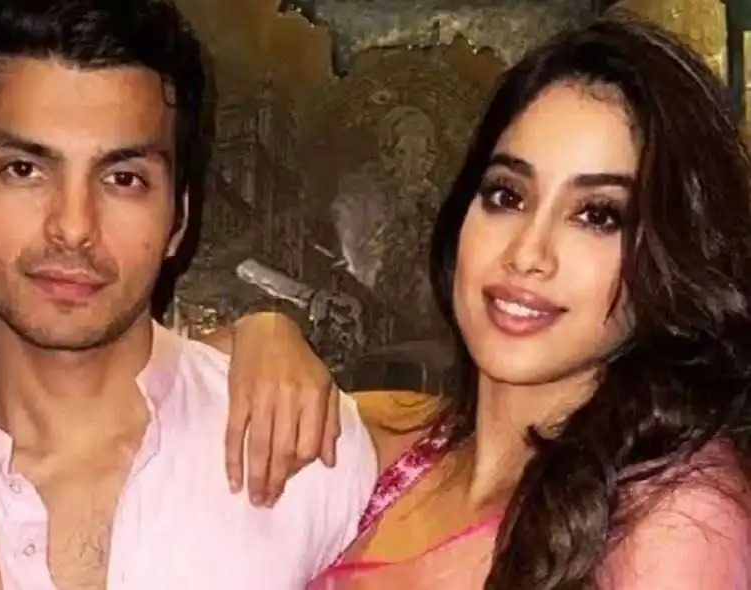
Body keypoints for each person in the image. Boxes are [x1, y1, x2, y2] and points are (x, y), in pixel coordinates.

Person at [223, 12, 751, 589]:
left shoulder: (675, 518)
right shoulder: (392, 440)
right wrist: (261, 333)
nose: (528, 253)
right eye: (507, 195)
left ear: (673, 253)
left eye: (598, 215)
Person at [0, 1, 377, 588]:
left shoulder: (310, 455)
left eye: (123, 179)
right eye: (24, 169)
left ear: (178, 219)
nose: (73, 227)